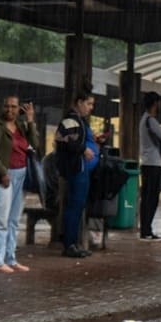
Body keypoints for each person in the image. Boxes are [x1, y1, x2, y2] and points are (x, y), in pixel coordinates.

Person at [0, 96, 39, 272]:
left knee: (14, 220)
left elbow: (34, 144)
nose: (10, 110)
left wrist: (30, 120)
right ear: (2, 107)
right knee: (1, 219)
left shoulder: (21, 126)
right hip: (2, 175)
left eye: (14, 107)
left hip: (21, 173)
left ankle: (10, 257)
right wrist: (2, 172)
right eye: (7, 106)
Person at [55, 89, 99, 258]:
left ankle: (74, 242)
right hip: (76, 169)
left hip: (82, 168)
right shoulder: (70, 120)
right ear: (79, 103)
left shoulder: (80, 121)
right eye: (88, 104)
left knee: (78, 206)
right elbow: (63, 141)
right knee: (74, 206)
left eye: (92, 104)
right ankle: (69, 244)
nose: (90, 108)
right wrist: (83, 149)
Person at [138, 91, 161, 241]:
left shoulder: (144, 120)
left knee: (147, 197)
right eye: (159, 102)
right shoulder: (150, 120)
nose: (160, 105)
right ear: (155, 103)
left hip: (147, 163)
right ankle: (146, 230)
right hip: (153, 163)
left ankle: (146, 229)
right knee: (151, 198)